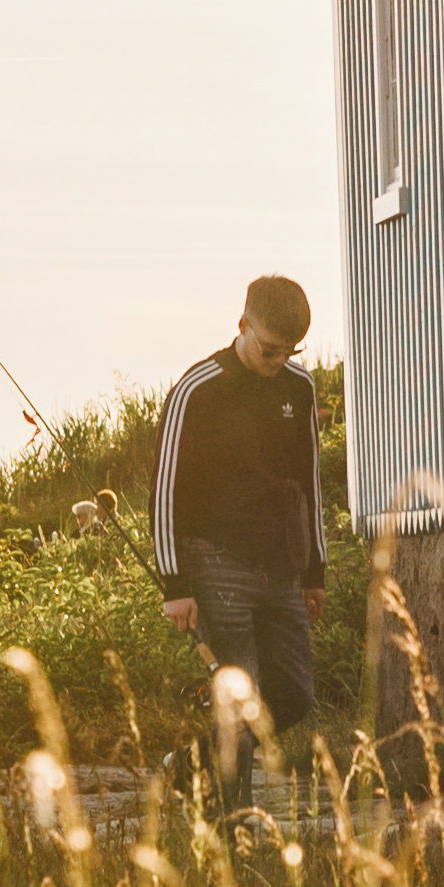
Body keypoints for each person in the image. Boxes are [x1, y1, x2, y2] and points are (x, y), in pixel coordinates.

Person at [153, 277, 333, 716]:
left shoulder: (299, 388)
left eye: (290, 351)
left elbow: (309, 480)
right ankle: (226, 780)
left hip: (283, 566)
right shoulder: (197, 389)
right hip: (216, 562)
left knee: (294, 700)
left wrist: (314, 574)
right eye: (269, 348)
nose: (279, 360)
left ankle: (189, 764)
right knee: (241, 697)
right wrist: (175, 585)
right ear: (242, 325)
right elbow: (164, 489)